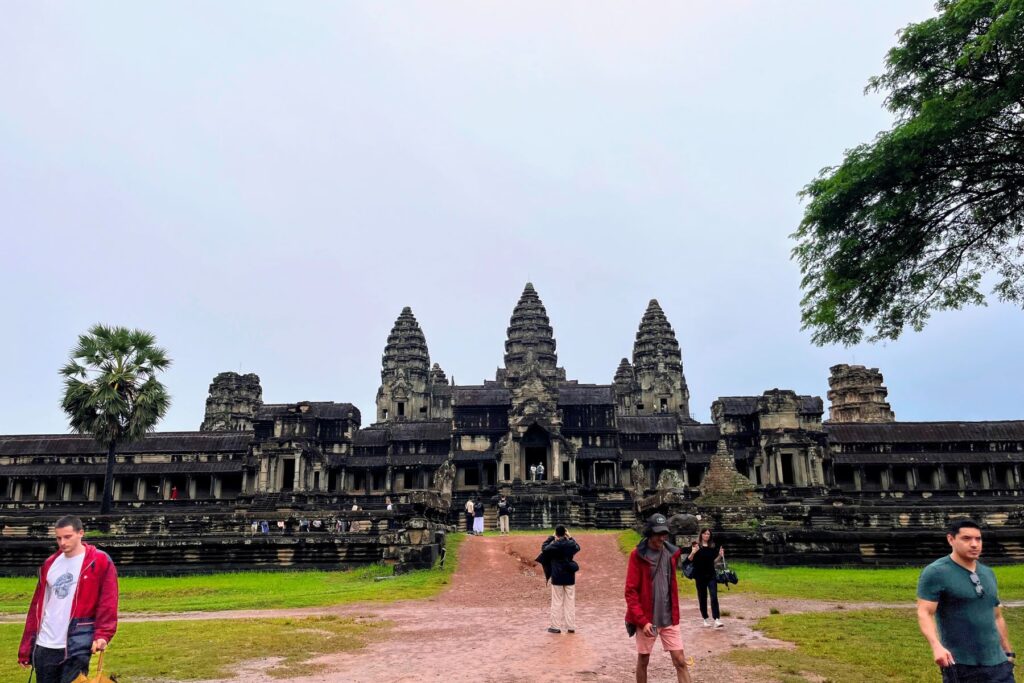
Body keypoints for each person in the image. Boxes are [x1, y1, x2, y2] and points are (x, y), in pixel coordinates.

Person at [18, 515, 119, 683]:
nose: (62, 542)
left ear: (81, 533)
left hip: (78, 641)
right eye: (58, 538)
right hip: (45, 643)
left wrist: (103, 634)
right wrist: (26, 647)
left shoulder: (99, 560)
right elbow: (37, 607)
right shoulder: (50, 563)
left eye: (67, 537)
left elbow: (108, 600)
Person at [918, 518, 1016, 683]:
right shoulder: (936, 572)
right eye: (966, 538)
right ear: (951, 539)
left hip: (999, 664)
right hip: (963, 665)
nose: (974, 544)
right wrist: (936, 647)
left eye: (978, 539)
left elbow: (997, 616)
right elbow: (924, 612)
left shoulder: (988, 573)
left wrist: (1007, 651)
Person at [625, 513, 693, 683]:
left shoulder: (671, 553)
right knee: (644, 660)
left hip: (669, 617)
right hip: (647, 620)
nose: (662, 538)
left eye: (664, 534)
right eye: (658, 534)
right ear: (649, 533)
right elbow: (631, 592)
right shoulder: (638, 555)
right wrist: (642, 621)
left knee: (680, 661)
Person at [539, 525, 580, 634]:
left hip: (557, 576)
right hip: (569, 576)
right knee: (570, 602)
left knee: (557, 602)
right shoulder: (570, 544)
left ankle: (555, 626)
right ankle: (571, 626)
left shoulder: (554, 545)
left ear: (556, 534)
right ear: (565, 533)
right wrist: (570, 537)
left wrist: (551, 537)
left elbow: (543, 548)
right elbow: (577, 547)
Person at [687, 528, 725, 628]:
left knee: (714, 596)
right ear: (701, 535)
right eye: (705, 534)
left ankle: (717, 619)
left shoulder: (712, 547)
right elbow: (689, 559)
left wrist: (720, 556)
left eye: (708, 534)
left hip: (711, 574)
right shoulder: (696, 546)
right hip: (699, 575)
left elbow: (714, 562)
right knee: (702, 597)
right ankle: (705, 618)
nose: (707, 536)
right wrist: (694, 552)